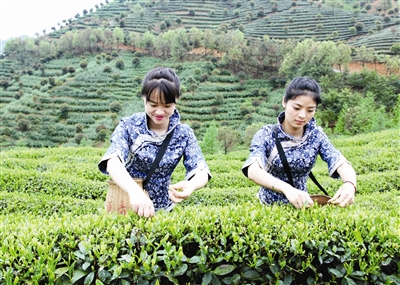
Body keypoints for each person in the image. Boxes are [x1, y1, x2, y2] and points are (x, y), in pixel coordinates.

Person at [98, 67, 211, 217]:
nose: (159, 112)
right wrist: (135, 192)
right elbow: (113, 161)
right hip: (126, 206)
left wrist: (192, 185)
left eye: (167, 106)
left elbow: (200, 168)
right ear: (144, 99)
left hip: (162, 211)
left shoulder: (183, 133)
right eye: (153, 105)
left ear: (176, 101)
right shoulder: (130, 126)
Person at [242, 76, 357, 209]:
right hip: (268, 208)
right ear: (284, 102)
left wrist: (350, 184)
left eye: (310, 110)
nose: (302, 115)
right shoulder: (267, 135)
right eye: (297, 108)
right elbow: (253, 170)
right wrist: (286, 188)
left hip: (302, 207)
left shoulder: (316, 135)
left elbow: (340, 162)